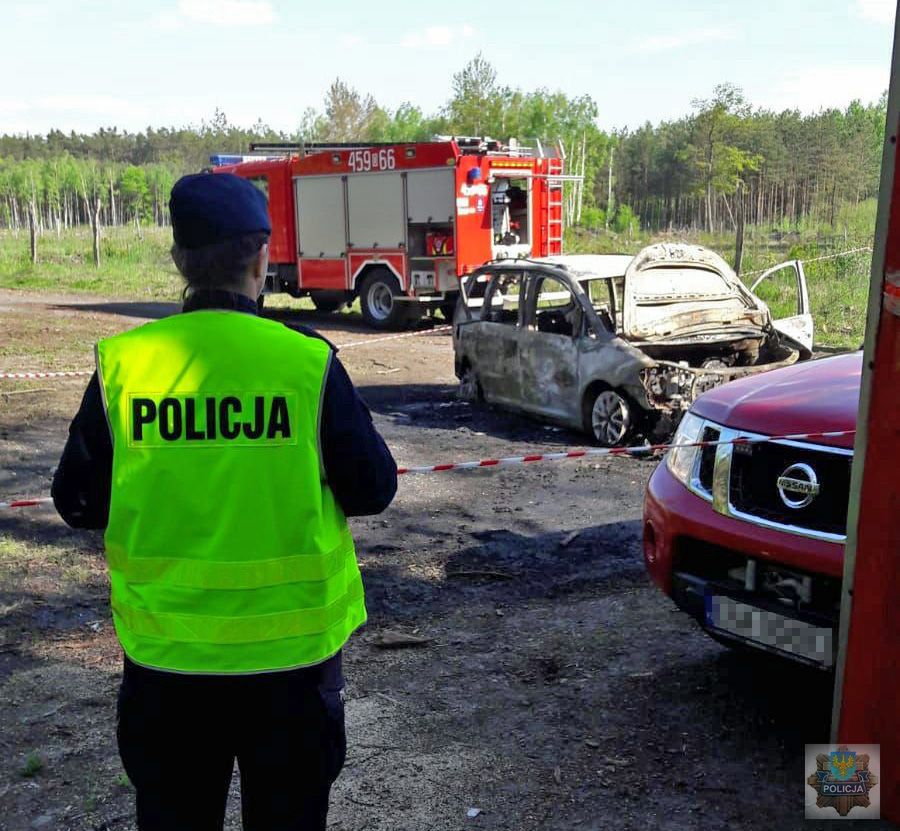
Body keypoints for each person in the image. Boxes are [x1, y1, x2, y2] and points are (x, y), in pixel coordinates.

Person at [51, 172, 398, 830]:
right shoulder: (305, 365)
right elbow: (374, 487)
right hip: (293, 673)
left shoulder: (126, 367)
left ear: (180, 262)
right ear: (262, 257)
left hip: (168, 669)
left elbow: (76, 500)